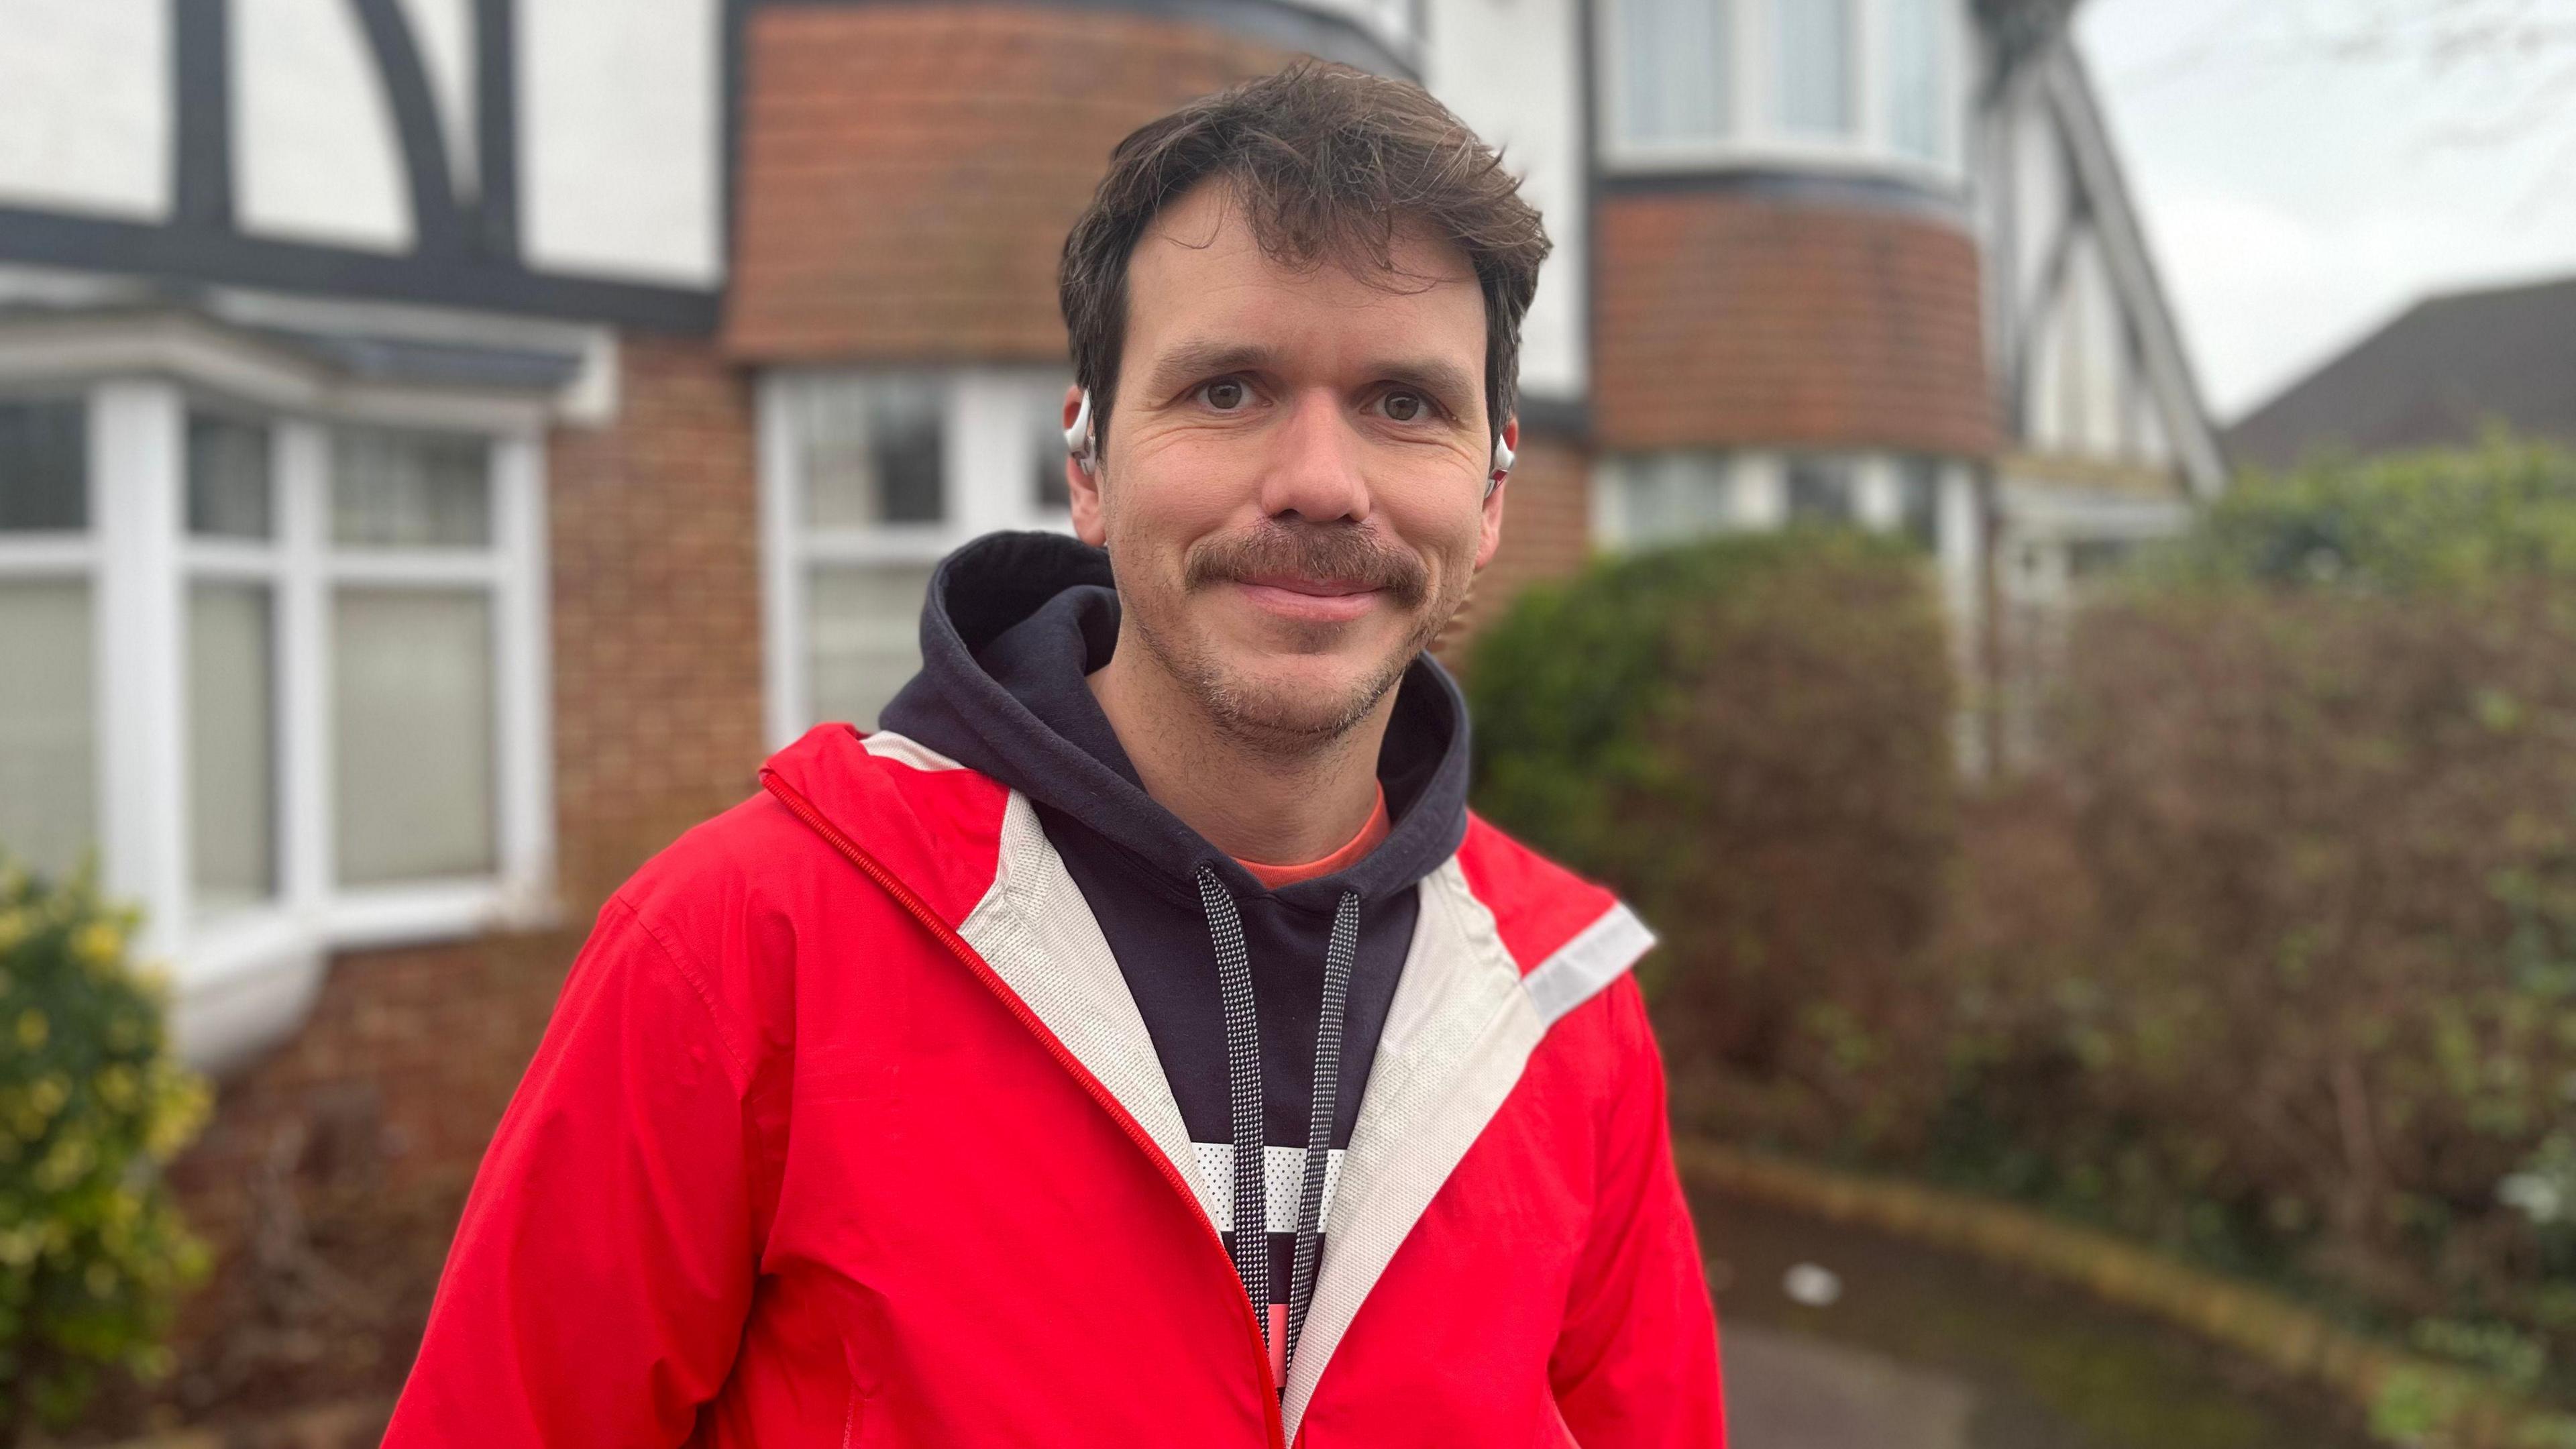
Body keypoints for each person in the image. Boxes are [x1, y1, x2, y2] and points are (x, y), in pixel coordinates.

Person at [383, 60, 1723, 1448]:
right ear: (1088, 463)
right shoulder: (742, 944)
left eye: (1404, 404)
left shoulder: (1568, 1015)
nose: (1323, 482)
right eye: (1228, 389)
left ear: (1491, 489)